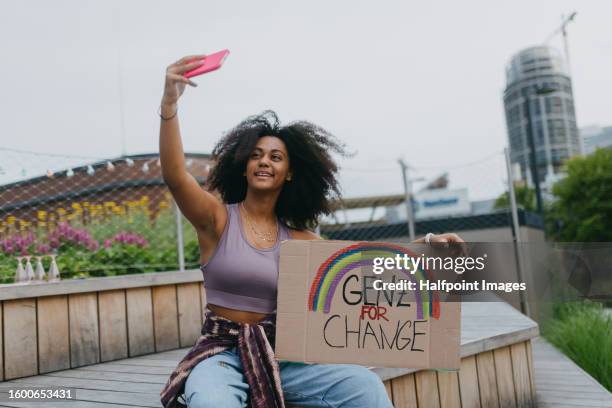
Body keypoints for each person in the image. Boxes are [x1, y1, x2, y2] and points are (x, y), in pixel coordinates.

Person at [158, 54, 465, 408]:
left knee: (365, 386)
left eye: (276, 157)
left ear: (289, 173)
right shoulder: (217, 220)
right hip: (220, 355)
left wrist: (428, 246)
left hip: (283, 356)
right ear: (243, 167)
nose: (264, 161)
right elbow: (176, 176)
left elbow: (361, 269)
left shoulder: (303, 241)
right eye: (257, 154)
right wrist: (169, 104)